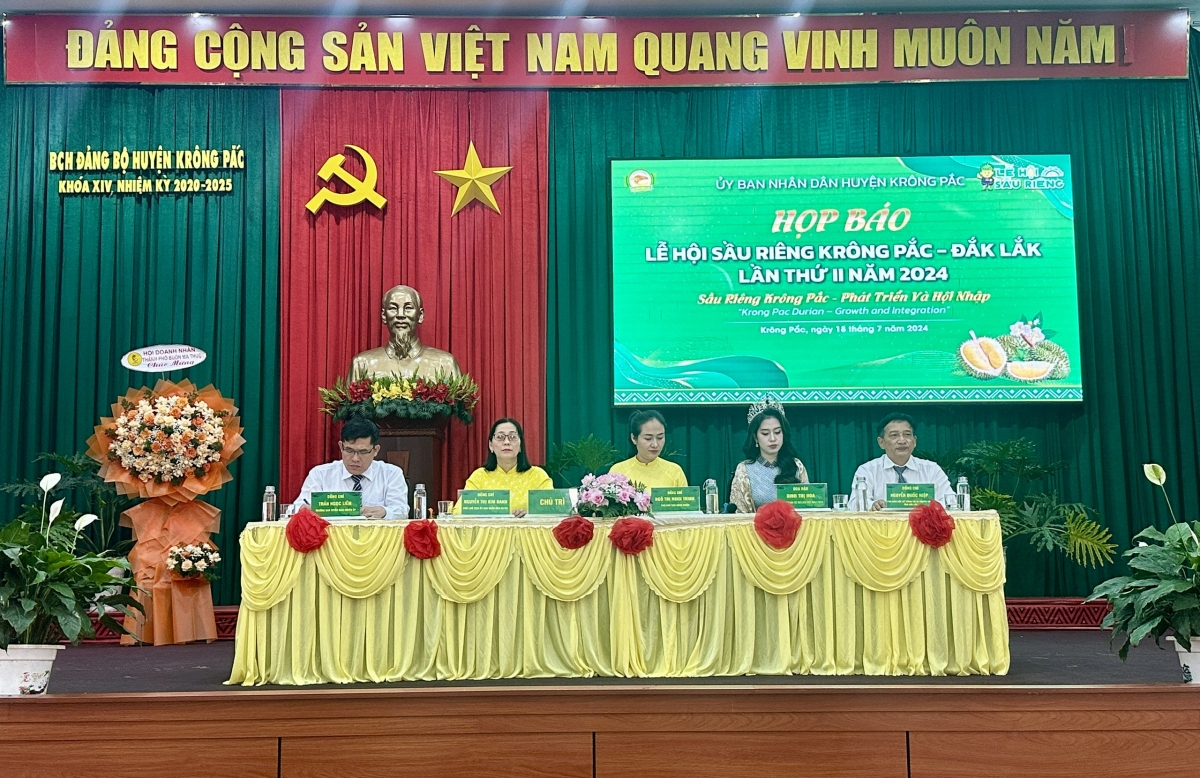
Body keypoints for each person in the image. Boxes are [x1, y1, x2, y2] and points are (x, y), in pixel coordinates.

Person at [297, 416, 409, 519]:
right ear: (341, 447)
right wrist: (306, 510)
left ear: (375, 450)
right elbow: (297, 508)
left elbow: (402, 511)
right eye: (349, 450)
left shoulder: (391, 474)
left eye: (363, 452)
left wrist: (384, 512)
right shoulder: (320, 474)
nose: (355, 458)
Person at [350, 285, 462, 380]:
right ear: (384, 316)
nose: (400, 315)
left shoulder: (445, 364)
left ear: (420, 315)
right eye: (393, 308)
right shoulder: (361, 364)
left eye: (408, 308)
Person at [849, 412, 954, 511]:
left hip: (924, 524)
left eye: (907, 434)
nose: (902, 441)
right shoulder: (867, 470)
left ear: (914, 441)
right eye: (894, 435)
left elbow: (951, 501)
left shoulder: (931, 469)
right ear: (881, 442)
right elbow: (854, 504)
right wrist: (872, 505)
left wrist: (930, 507)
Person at [457, 418, 553, 517]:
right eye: (500, 437)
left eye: (513, 437)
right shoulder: (479, 476)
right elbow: (459, 511)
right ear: (491, 445)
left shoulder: (537, 476)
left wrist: (528, 514)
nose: (507, 442)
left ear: (520, 445)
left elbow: (552, 509)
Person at [729, 401, 809, 513]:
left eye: (777, 432)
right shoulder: (744, 469)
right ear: (755, 437)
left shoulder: (796, 465)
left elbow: (808, 508)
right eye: (765, 433)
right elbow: (739, 515)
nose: (772, 438)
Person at [608, 410, 687, 489]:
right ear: (634, 438)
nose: (655, 444)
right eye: (648, 438)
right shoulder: (618, 471)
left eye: (660, 437)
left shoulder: (675, 471)